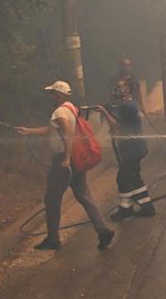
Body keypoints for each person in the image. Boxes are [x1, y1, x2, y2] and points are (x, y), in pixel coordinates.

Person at [16, 80, 115, 250]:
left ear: (60, 94)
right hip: (76, 159)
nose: (51, 96)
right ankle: (103, 229)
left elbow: (68, 132)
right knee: (84, 195)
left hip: (63, 160)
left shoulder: (59, 111)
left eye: (53, 92)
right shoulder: (71, 108)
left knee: (52, 199)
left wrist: (66, 158)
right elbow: (51, 130)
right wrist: (29, 131)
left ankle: (53, 238)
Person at [97, 79, 154, 222]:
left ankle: (128, 209)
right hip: (135, 147)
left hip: (132, 149)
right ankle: (141, 207)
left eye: (119, 87)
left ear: (128, 88)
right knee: (132, 177)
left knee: (123, 178)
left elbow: (115, 124)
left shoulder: (128, 106)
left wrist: (104, 111)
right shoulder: (130, 103)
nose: (116, 89)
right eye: (115, 87)